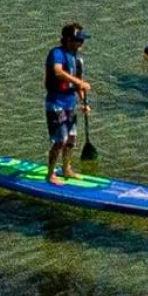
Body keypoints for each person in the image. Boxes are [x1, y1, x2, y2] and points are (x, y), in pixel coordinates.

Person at [44, 23, 91, 185]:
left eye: (82, 41)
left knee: (71, 139)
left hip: (70, 103)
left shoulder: (78, 59)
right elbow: (57, 72)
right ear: (67, 39)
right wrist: (79, 82)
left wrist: (84, 102)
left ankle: (66, 168)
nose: (81, 44)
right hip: (55, 102)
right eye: (78, 40)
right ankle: (50, 174)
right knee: (60, 140)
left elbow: (80, 84)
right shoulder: (56, 53)